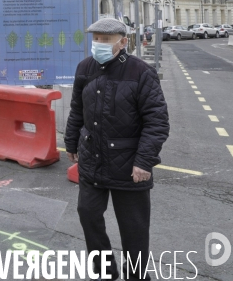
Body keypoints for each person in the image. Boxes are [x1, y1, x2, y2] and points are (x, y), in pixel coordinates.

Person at [64, 18, 169, 280]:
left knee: (133, 229)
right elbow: (78, 109)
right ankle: (105, 272)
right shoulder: (85, 68)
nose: (98, 44)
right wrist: (71, 142)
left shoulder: (141, 72)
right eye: (95, 38)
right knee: (87, 214)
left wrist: (144, 162)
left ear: (123, 42)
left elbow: (157, 121)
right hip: (92, 160)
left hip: (129, 164)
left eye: (105, 39)